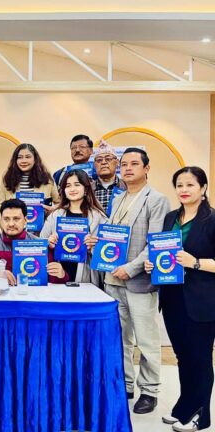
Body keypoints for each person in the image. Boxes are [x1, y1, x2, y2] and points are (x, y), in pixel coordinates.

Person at [94, 147, 169, 414]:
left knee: (146, 340)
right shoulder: (118, 199)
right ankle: (125, 384)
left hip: (140, 281)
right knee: (120, 337)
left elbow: (155, 243)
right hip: (113, 280)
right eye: (124, 164)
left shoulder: (156, 200)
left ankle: (149, 390)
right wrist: (96, 243)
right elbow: (112, 237)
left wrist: (131, 268)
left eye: (134, 164)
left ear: (146, 168)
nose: (127, 168)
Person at [143, 167, 215, 431]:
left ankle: (200, 415)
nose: (184, 190)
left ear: (203, 188)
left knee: (200, 358)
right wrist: (153, 264)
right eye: (179, 185)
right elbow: (163, 253)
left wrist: (195, 262)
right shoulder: (171, 217)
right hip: (172, 297)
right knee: (183, 356)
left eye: (190, 185)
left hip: (202, 300)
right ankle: (184, 408)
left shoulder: (212, 220)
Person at [0, 199, 68, 285]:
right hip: (1, 292)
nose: (11, 224)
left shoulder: (39, 244)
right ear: (1, 220)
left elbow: (55, 279)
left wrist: (61, 274)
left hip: (31, 293)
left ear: (25, 220)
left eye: (16, 219)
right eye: (6, 219)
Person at [40, 169, 107, 285]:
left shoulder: (98, 217)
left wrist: (93, 247)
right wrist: (49, 243)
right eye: (68, 186)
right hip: (58, 275)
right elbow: (41, 243)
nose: (72, 189)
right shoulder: (56, 214)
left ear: (86, 189)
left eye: (77, 185)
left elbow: (107, 254)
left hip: (86, 276)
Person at [0, 143, 60, 217]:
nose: (24, 161)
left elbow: (59, 203)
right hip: (13, 223)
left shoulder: (46, 178)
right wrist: (4, 222)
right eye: (20, 157)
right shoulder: (7, 178)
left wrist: (52, 210)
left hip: (42, 223)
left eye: (28, 157)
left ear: (35, 159)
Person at [92, 140, 126, 214]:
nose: (103, 162)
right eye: (99, 160)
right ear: (94, 165)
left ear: (117, 162)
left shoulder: (127, 187)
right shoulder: (87, 190)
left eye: (108, 159)